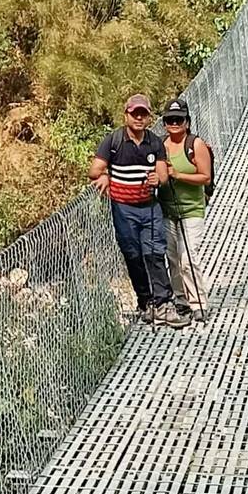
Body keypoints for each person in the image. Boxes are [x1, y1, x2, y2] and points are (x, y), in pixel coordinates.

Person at [88, 94, 190, 329]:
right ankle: (146, 303)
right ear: (126, 115)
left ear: (149, 117)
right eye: (135, 113)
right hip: (124, 210)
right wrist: (104, 175)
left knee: (154, 254)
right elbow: (94, 169)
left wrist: (158, 178)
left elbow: (163, 175)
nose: (139, 118)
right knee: (133, 256)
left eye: (143, 114)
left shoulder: (155, 142)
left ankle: (163, 304)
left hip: (149, 208)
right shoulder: (113, 141)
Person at [159, 98, 210, 322]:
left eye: (179, 119)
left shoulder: (195, 145)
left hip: (192, 210)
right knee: (172, 257)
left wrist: (178, 175)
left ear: (187, 122)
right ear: (164, 123)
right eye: (170, 120)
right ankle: (180, 300)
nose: (174, 124)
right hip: (167, 210)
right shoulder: (160, 146)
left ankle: (199, 302)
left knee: (187, 258)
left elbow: (205, 177)